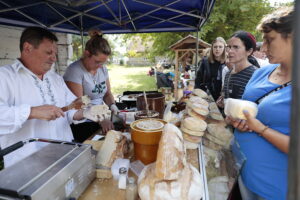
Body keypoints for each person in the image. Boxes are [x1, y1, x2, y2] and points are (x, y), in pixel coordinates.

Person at [227, 7, 293, 200]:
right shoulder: (262, 72)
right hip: (241, 173)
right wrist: (238, 120)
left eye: (270, 40)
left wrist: (261, 129)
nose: (263, 48)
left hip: (273, 188)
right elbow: (250, 111)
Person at [0, 27, 85, 167]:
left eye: (55, 53)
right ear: (27, 48)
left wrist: (84, 112)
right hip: (27, 166)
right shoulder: (5, 77)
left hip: (64, 155)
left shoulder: (56, 79)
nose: (54, 58)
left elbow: (69, 109)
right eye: (48, 52)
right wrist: (32, 112)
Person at [64, 30, 117, 142]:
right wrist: (101, 118)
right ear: (87, 54)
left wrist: (113, 106)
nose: (100, 66)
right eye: (97, 62)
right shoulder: (75, 71)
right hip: (83, 123)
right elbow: (78, 104)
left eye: (103, 63)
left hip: (101, 117)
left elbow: (107, 94)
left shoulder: (102, 69)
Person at [219, 31, 258, 105]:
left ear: (249, 51)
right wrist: (222, 100)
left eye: (236, 47)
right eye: (229, 47)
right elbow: (225, 96)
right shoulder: (228, 73)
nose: (230, 51)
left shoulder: (256, 75)